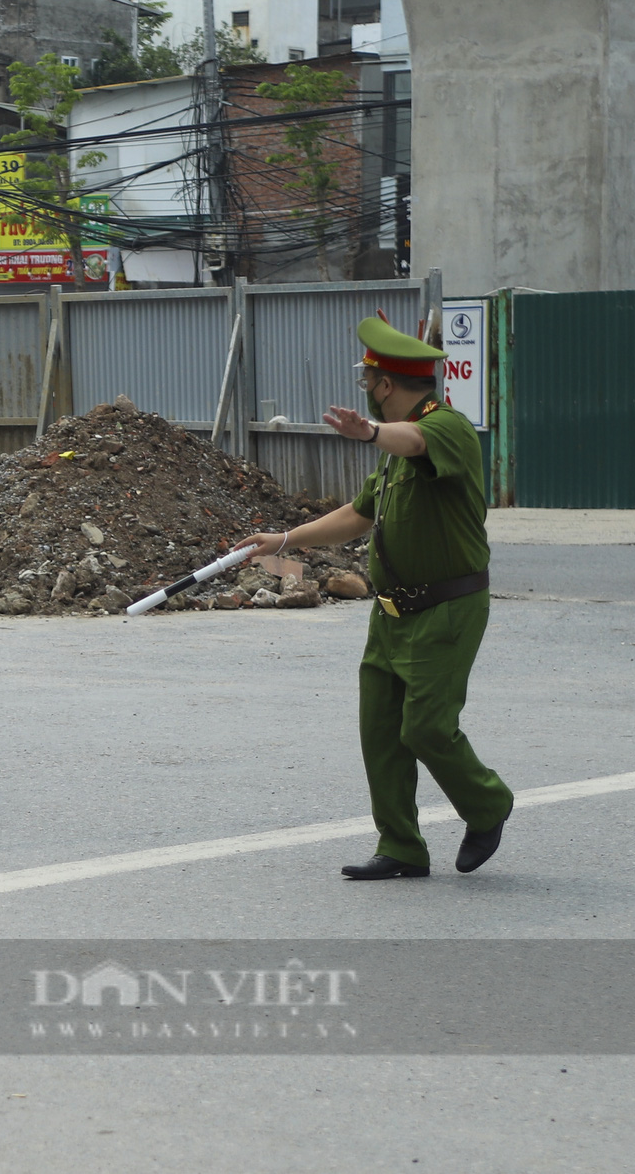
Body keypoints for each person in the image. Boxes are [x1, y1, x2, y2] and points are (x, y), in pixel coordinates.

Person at [237, 315, 513, 880]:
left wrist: (367, 433)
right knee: (381, 732)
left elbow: (412, 440)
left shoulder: (445, 429)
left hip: (446, 609)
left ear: (385, 386)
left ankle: (488, 805)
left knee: (427, 728)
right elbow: (358, 516)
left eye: (369, 382)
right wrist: (286, 539)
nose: (367, 391)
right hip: (390, 614)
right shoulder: (392, 451)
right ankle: (402, 848)